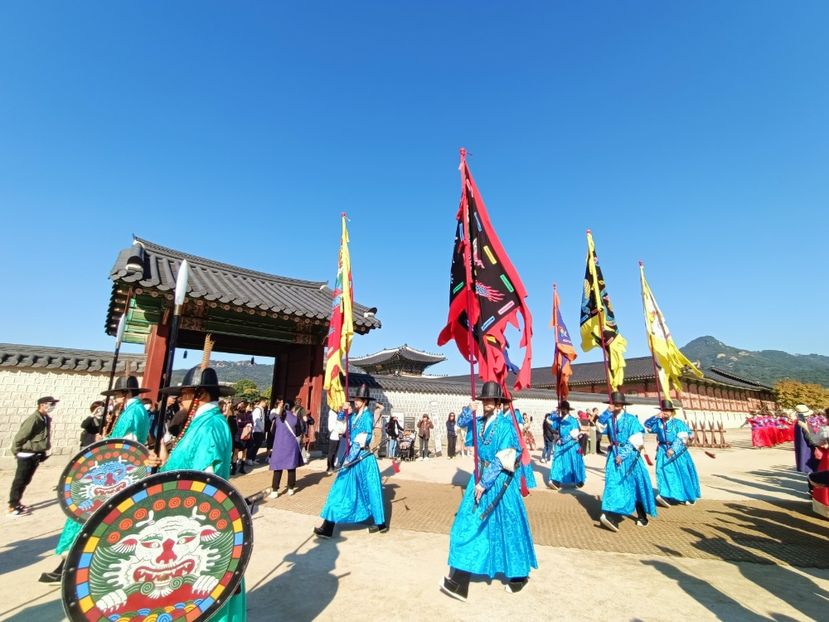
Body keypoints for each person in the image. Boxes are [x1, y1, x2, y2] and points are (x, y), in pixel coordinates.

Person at [147, 365, 243, 622]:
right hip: (181, 518)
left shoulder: (210, 425)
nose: (181, 399)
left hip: (194, 522)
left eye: (185, 394)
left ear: (199, 396)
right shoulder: (200, 422)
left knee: (199, 592)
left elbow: (205, 479)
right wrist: (163, 461)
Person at [43, 376, 152, 583]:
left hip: (117, 475)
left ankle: (72, 564)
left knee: (85, 515)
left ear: (126, 394)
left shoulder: (133, 413)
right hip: (115, 471)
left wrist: (107, 446)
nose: (117, 399)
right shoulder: (131, 411)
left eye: (119, 395)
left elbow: (127, 445)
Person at [440, 381, 537, 602]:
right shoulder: (480, 421)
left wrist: (484, 483)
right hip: (480, 478)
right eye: (484, 400)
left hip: (498, 483)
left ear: (499, 402)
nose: (487, 404)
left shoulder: (505, 426)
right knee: (467, 524)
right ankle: (460, 581)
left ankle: (519, 575)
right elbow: (461, 424)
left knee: (509, 528)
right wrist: (469, 409)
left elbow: (502, 458)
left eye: (491, 400)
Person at [314, 384, 386, 538]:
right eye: (355, 400)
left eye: (359, 400)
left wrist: (348, 460)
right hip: (352, 460)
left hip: (363, 459)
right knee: (339, 489)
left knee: (372, 491)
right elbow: (340, 429)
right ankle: (328, 526)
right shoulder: (353, 416)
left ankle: (380, 523)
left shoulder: (367, 417)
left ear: (365, 401)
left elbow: (363, 439)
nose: (355, 402)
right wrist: (342, 412)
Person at [596, 392, 656, 532]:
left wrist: (622, 455)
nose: (615, 406)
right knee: (613, 483)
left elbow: (636, 439)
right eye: (613, 403)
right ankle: (611, 515)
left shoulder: (631, 420)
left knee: (633, 485)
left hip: (630, 456)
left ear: (622, 405)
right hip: (613, 454)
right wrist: (606, 412)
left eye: (618, 404)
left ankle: (642, 515)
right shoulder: (609, 419)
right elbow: (599, 426)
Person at [644, 399, 701, 507]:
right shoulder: (658, 423)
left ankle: (689, 496)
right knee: (662, 471)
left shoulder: (678, 423)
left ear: (672, 412)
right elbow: (647, 425)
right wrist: (656, 417)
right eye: (663, 410)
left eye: (667, 410)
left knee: (682, 472)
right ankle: (666, 494)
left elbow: (682, 437)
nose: (665, 412)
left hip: (677, 451)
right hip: (662, 449)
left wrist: (673, 449)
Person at [8, 396, 56, 517]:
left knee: (26, 480)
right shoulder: (34, 419)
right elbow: (20, 436)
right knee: (20, 480)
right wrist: (16, 452)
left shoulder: (45, 418)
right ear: (42, 405)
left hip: (35, 455)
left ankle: (17, 502)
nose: (52, 406)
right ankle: (12, 505)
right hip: (26, 454)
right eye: (50, 404)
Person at [267, 398, 306, 498]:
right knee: (291, 467)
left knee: (277, 468)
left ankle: (275, 490)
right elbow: (298, 432)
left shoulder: (277, 418)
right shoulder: (295, 418)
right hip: (291, 445)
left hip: (279, 444)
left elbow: (273, 431)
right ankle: (290, 488)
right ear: (292, 407)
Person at [547, 401, 586, 490]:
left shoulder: (573, 420)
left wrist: (563, 440)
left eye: (564, 409)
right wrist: (554, 414)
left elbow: (574, 433)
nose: (562, 411)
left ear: (568, 410)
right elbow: (548, 421)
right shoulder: (559, 420)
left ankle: (579, 480)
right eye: (561, 409)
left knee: (573, 463)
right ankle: (556, 481)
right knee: (558, 461)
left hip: (571, 445)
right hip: (561, 445)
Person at [327, 407, 348, 474]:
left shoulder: (342, 412)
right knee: (332, 451)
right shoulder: (333, 413)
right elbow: (331, 427)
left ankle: (333, 465)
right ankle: (329, 467)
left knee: (336, 451)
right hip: (334, 434)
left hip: (340, 434)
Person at [249, 398, 268, 463]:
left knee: (257, 445)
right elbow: (256, 420)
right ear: (262, 402)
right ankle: (250, 458)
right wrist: (262, 428)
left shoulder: (261, 409)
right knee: (255, 445)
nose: (266, 404)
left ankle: (253, 458)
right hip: (257, 430)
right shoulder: (258, 410)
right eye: (265, 402)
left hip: (260, 430)